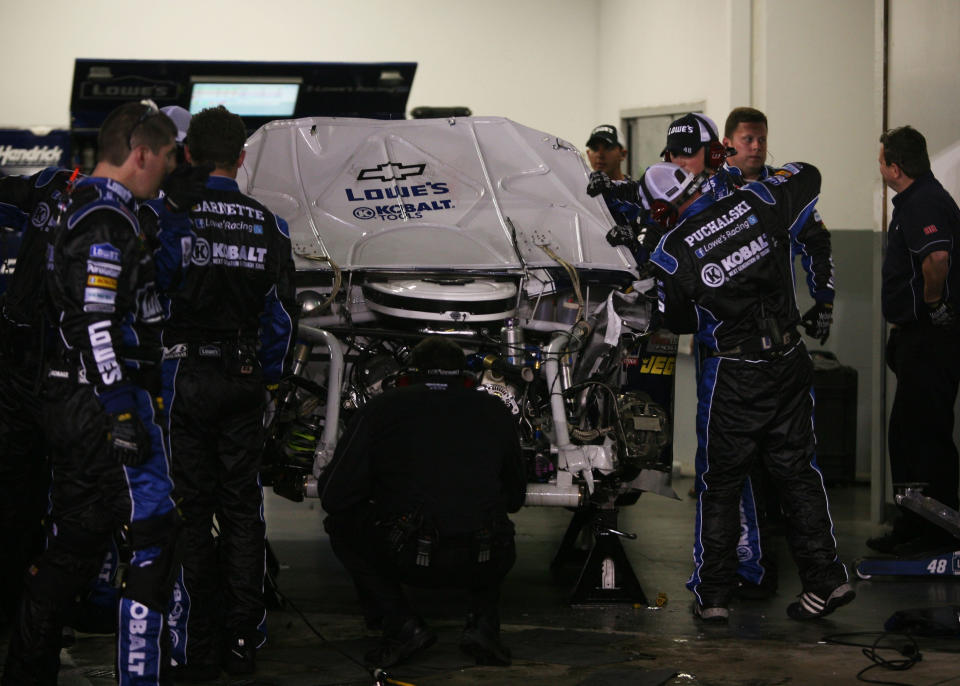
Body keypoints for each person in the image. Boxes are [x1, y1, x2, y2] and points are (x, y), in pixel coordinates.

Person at [2, 100, 197, 686]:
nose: (170, 168)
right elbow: (93, 319)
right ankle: (136, 674)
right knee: (149, 536)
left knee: (77, 542)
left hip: (71, 393)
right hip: (95, 401)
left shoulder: (99, 208)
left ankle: (26, 670)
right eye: (166, 157)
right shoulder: (106, 218)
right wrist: (118, 408)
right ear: (140, 152)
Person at [641, 160, 852, 623]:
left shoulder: (672, 251)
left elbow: (676, 322)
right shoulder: (757, 200)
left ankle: (714, 596)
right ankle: (827, 578)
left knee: (720, 484)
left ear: (660, 209)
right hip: (791, 359)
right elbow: (811, 174)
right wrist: (767, 180)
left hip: (736, 371)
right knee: (797, 472)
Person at [155, 105, 297, 679]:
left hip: (182, 379)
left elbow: (150, 301)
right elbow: (281, 319)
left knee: (186, 511)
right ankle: (244, 637)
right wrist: (263, 378)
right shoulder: (270, 225)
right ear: (241, 157)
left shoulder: (168, 216)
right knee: (242, 511)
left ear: (188, 154)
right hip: (242, 380)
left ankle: (198, 638)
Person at [319, 337, 526, 668]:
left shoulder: (382, 408)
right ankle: (484, 627)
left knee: (341, 525)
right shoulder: (496, 410)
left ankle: (401, 623)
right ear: (466, 377)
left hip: (408, 554)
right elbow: (515, 498)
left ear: (408, 374)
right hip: (484, 556)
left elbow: (334, 495)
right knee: (494, 522)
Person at [870, 125, 960, 556]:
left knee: (925, 436)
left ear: (895, 166)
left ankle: (936, 531)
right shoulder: (913, 199)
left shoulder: (923, 201)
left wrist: (935, 304)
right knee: (906, 434)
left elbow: (937, 258)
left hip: (931, 339)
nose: (881, 165)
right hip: (916, 339)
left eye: (882, 158)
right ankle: (912, 522)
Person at [0, 166, 78, 630]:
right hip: (18, 364)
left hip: (70, 370)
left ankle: (60, 602)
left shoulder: (137, 212)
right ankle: (15, 602)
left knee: (74, 496)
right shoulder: (55, 181)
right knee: (14, 489)